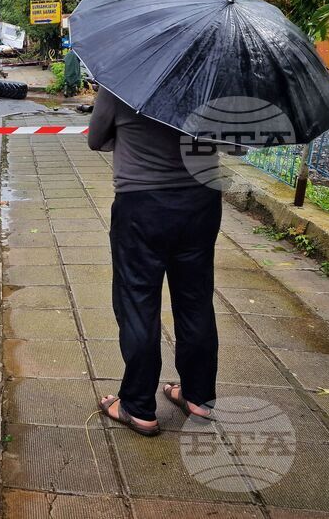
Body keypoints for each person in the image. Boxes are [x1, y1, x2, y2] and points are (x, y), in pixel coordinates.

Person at [87, 86, 221, 437]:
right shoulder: (213, 85)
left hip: (142, 205)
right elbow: (235, 144)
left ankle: (138, 406)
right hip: (202, 203)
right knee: (196, 300)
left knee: (138, 301)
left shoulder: (122, 84)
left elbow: (96, 139)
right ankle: (198, 397)